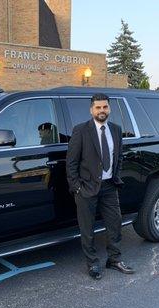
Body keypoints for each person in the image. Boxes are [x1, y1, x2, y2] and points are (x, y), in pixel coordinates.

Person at [66, 93, 135, 280]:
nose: (102, 110)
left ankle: (114, 259)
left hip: (109, 187)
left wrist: (116, 176)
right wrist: (77, 187)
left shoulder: (116, 130)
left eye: (105, 107)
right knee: (87, 229)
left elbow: (118, 157)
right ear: (91, 110)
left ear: (109, 109)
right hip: (86, 188)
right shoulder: (81, 130)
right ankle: (93, 263)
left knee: (115, 224)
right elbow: (71, 162)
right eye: (98, 107)